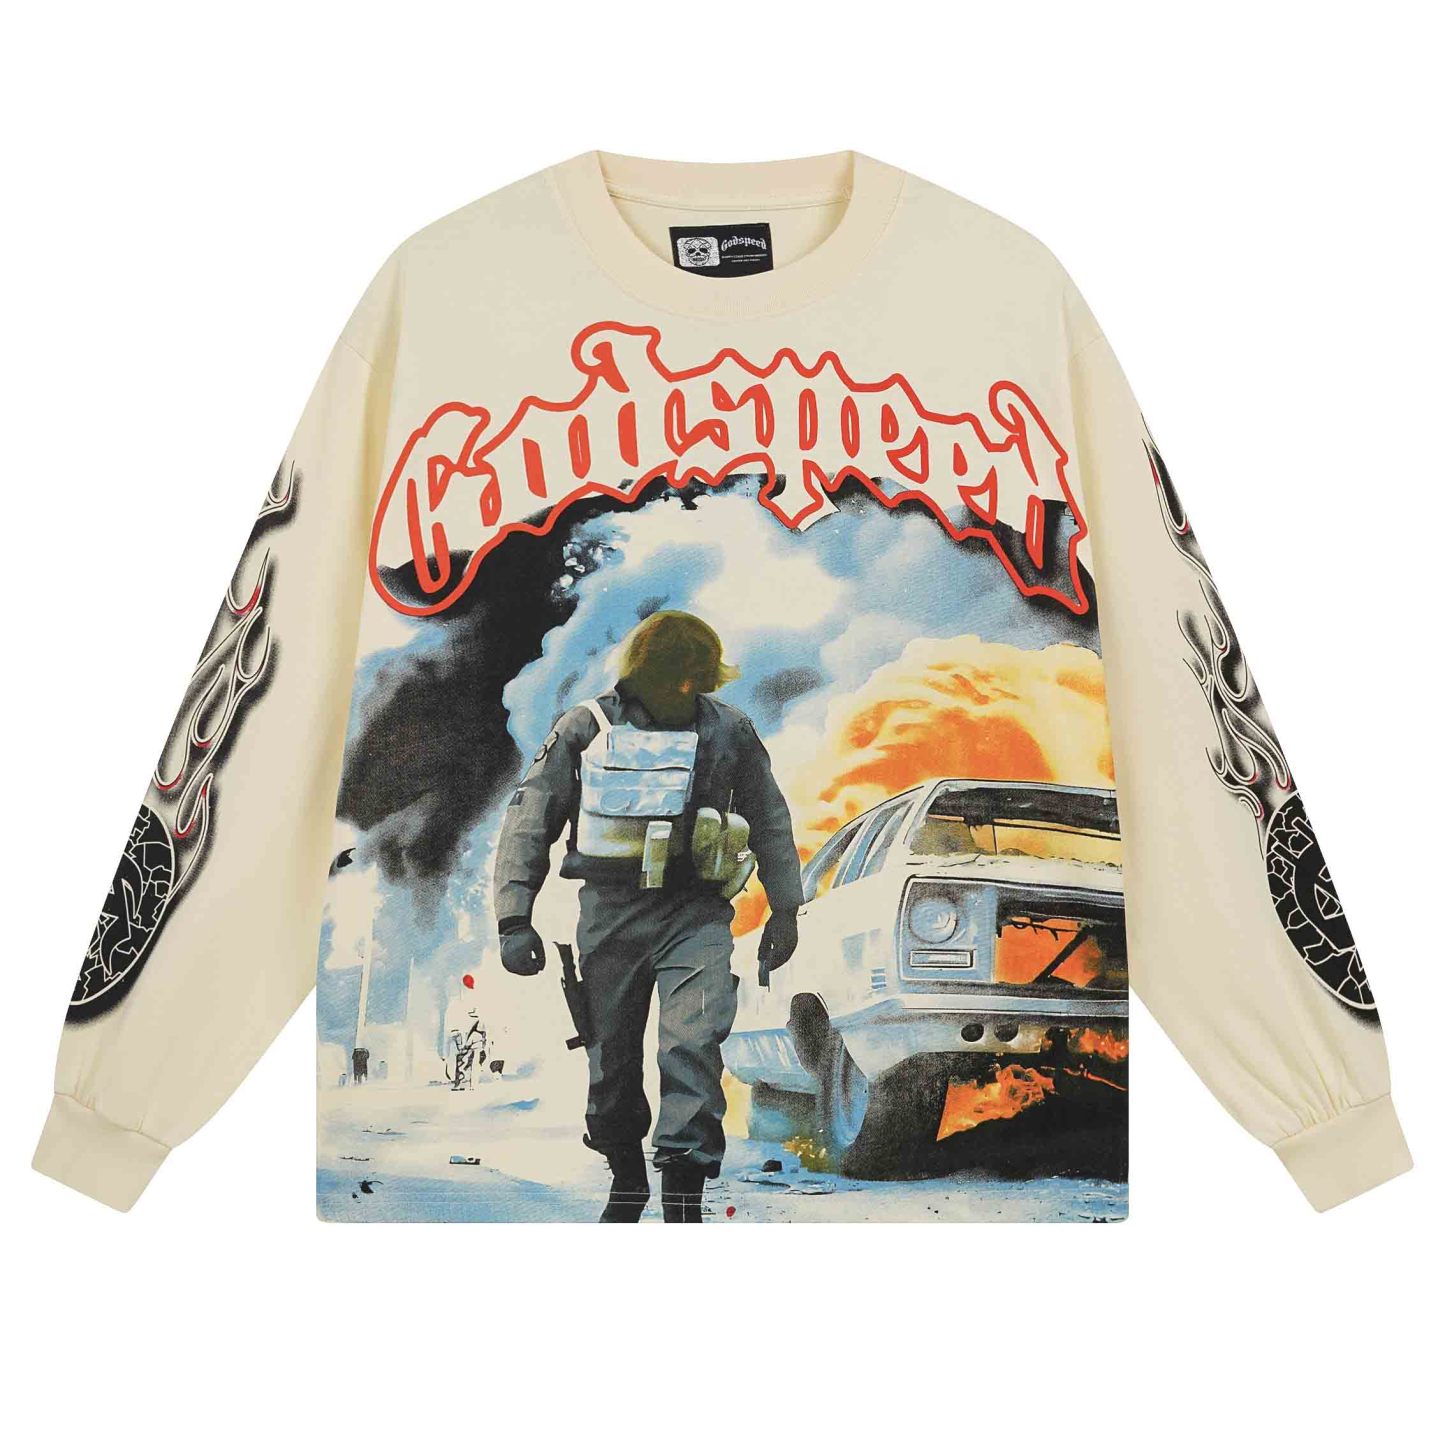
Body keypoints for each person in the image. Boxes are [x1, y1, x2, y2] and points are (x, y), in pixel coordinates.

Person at [493, 612, 802, 1222]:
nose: (684, 689)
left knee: (694, 1044)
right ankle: (627, 1181)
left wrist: (786, 909)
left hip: (696, 914)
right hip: (610, 912)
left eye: (695, 677)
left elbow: (769, 817)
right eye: (673, 675)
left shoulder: (730, 730)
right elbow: (531, 819)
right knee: (611, 1058)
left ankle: (683, 1203)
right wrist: (513, 918)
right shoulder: (585, 727)